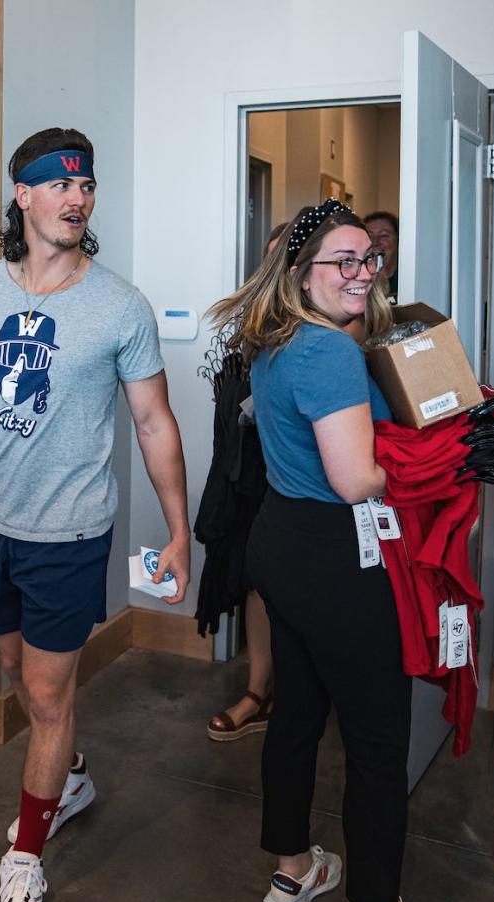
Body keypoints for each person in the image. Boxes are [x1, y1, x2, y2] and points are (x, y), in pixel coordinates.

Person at [0, 127, 190, 902]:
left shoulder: (119, 305)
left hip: (71, 533)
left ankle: (25, 868)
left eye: (86, 185)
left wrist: (178, 525)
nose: (77, 197)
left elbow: (154, 421)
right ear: (23, 194)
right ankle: (69, 773)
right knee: (14, 674)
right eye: (59, 184)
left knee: (45, 695)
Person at [208, 199, 460, 902]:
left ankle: (293, 870)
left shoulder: (279, 341)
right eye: (340, 262)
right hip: (332, 555)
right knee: (379, 741)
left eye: (368, 260)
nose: (359, 273)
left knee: (299, 714)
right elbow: (357, 479)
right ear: (300, 273)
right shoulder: (332, 354)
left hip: (282, 544)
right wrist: (431, 464)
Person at [205, 222, 286, 741]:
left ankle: (309, 695)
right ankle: (259, 691)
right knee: (258, 583)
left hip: (324, 486)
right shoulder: (251, 330)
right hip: (257, 477)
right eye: (278, 259)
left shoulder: (347, 330)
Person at [363, 210, 399, 301]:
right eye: (369, 235)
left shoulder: (408, 278)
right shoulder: (357, 281)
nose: (374, 242)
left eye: (383, 235)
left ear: (398, 240)